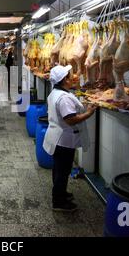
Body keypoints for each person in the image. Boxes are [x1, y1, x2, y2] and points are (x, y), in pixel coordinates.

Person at [43, 65, 97, 212]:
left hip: (58, 138)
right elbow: (71, 119)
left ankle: (61, 193)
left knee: (59, 170)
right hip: (63, 141)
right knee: (62, 171)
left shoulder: (56, 92)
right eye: (70, 76)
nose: (73, 77)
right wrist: (89, 113)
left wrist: (81, 106)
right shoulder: (63, 97)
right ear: (64, 80)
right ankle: (58, 202)